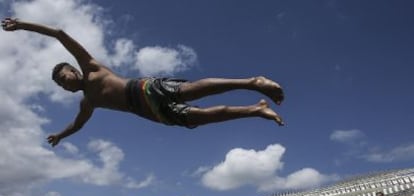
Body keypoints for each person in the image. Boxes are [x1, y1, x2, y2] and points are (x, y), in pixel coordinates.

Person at [2, 18, 285, 147]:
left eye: (64, 78)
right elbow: (79, 124)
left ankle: (252, 82)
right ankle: (255, 109)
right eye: (61, 86)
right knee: (200, 118)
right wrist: (60, 136)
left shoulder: (90, 68)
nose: (65, 85)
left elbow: (60, 34)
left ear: (73, 71)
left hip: (144, 89)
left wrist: (23, 25)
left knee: (190, 90)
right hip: (150, 112)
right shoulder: (87, 101)